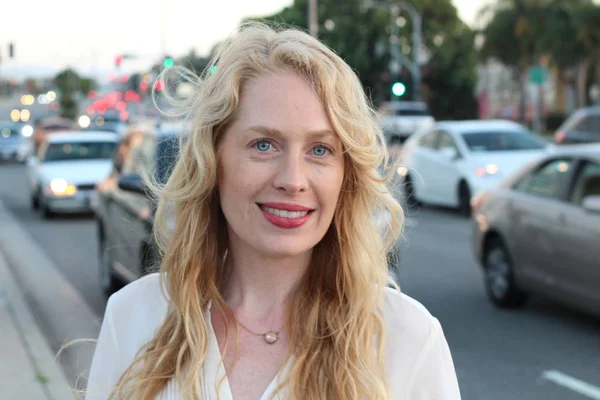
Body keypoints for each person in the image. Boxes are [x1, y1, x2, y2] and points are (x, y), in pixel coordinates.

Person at [86, 22, 461, 400]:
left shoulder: (409, 339)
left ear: (346, 175)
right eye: (264, 145)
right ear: (213, 161)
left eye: (320, 150)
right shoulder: (134, 317)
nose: (293, 180)